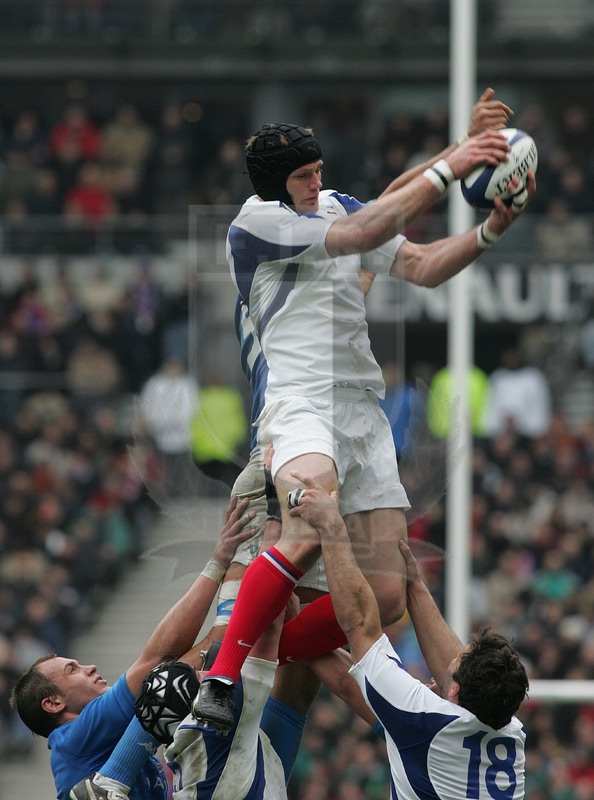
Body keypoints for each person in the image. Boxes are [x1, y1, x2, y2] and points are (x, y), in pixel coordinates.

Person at [193, 88, 536, 730]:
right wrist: (457, 162)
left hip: (361, 411)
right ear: (273, 185)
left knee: (385, 594)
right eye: (303, 174)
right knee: (309, 513)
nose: (318, 180)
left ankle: (253, 648)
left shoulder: (334, 206)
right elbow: (364, 229)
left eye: (319, 168)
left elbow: (427, 265)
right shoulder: (256, 223)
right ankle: (220, 674)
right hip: (298, 401)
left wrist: (490, 229)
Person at [290, 473, 529, 800]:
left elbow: (360, 623)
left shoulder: (426, 722)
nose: (451, 657)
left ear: (454, 690)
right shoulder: (509, 731)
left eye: (458, 660)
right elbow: (356, 685)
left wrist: (332, 526)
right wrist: (415, 588)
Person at [9, 495, 257, 800]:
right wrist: (221, 561)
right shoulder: (75, 737)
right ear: (53, 703)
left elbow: (175, 664)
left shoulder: (89, 743)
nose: (91, 667)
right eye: (71, 670)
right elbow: (159, 660)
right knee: (171, 684)